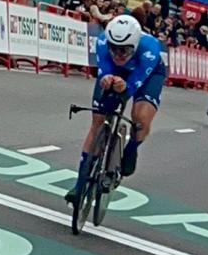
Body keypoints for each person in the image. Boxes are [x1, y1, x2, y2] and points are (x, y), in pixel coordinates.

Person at [65, 13, 166, 202]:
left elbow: (136, 82)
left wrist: (124, 88)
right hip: (114, 72)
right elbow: (105, 71)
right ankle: (79, 186)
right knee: (97, 122)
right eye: (114, 49)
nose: (118, 55)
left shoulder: (150, 48)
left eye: (124, 50)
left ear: (135, 46)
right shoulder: (102, 42)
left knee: (140, 119)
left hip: (146, 75)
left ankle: (132, 148)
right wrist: (108, 80)